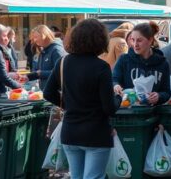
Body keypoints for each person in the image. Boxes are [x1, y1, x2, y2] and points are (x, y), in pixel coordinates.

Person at [43, 19, 120, 179]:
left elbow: (48, 93)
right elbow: (109, 108)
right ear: (100, 40)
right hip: (96, 133)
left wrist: (67, 104)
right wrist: (119, 97)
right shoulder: (101, 67)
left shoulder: (62, 62)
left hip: (71, 131)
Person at [112, 22, 171, 105]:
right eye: (133, 40)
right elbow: (114, 79)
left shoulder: (163, 63)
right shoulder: (124, 59)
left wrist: (159, 96)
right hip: (128, 112)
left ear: (150, 40)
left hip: (153, 113)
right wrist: (116, 86)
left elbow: (167, 92)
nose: (135, 44)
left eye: (139, 40)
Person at [27, 25, 67, 90]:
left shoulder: (56, 50)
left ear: (44, 35)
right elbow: (39, 72)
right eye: (33, 38)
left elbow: (61, 73)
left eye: (36, 37)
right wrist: (28, 77)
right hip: (45, 92)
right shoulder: (43, 50)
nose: (34, 40)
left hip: (56, 93)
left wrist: (41, 74)